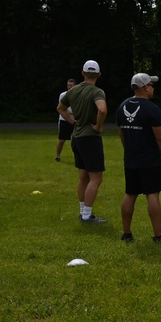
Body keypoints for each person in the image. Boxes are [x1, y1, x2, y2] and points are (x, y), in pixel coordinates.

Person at [116, 73, 161, 243]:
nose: (153, 88)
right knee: (152, 194)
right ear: (146, 87)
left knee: (130, 194)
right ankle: (157, 235)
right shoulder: (152, 109)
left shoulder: (122, 106)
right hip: (149, 160)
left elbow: (121, 133)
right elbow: (160, 137)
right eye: (151, 85)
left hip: (131, 159)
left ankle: (126, 234)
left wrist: (130, 149)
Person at [58, 60, 107, 223]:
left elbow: (60, 108)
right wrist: (98, 126)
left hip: (77, 137)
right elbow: (102, 109)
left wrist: (72, 122)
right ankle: (87, 215)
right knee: (96, 178)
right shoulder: (97, 91)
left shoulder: (73, 91)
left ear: (82, 73)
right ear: (99, 75)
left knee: (83, 177)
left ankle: (82, 211)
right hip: (90, 138)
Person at [55, 79, 76, 162]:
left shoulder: (78, 95)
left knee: (77, 139)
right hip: (64, 119)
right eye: (68, 85)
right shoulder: (63, 95)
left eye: (71, 85)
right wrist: (72, 114)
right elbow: (61, 108)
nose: (69, 87)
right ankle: (58, 156)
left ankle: (78, 156)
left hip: (76, 120)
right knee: (61, 140)